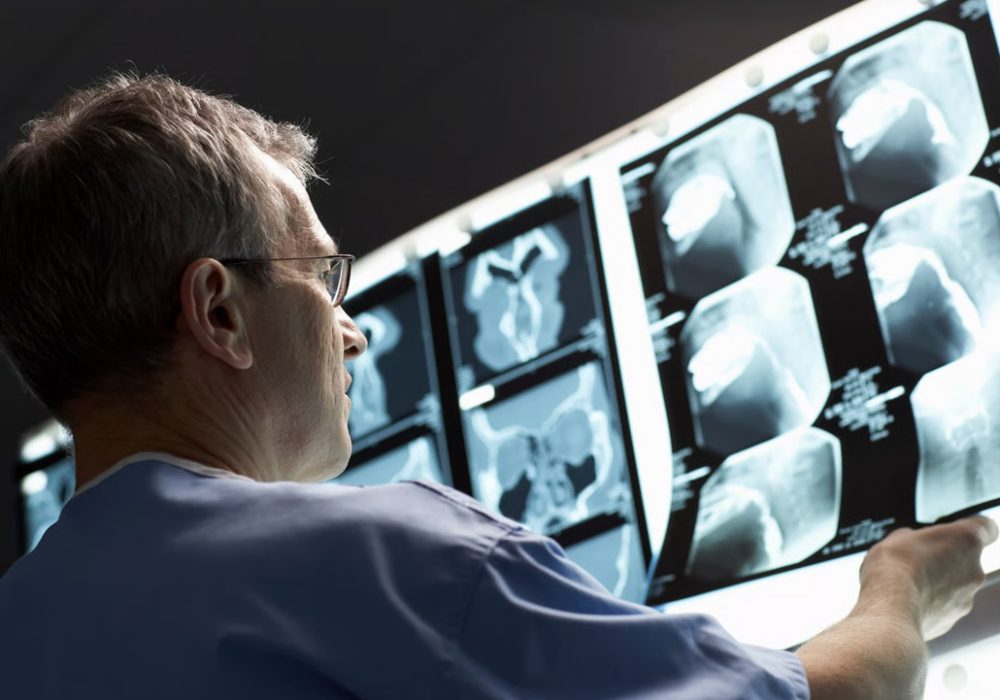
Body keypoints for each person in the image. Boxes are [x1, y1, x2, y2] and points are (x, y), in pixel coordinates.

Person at [0, 72, 992, 700]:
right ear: (218, 310)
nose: (350, 328)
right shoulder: (390, 570)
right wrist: (898, 588)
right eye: (323, 275)